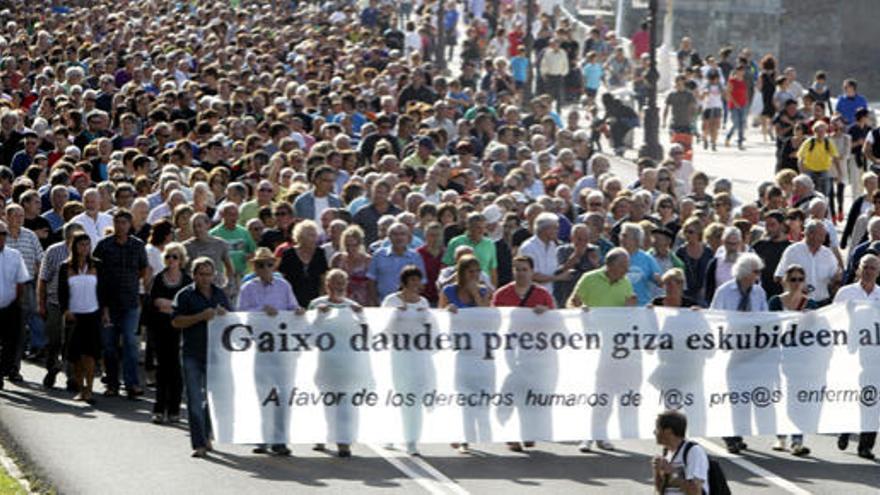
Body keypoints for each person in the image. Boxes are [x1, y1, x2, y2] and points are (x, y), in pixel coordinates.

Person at [239, 247, 301, 456]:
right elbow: (240, 316)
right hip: (261, 348)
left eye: (269, 264)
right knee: (263, 394)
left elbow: (293, 308)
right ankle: (262, 438)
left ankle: (280, 440)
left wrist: (297, 311)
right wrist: (262, 311)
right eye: (260, 264)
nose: (265, 268)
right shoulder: (247, 288)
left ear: (273, 265)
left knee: (283, 395)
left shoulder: (283, 286)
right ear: (254, 267)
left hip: (282, 347)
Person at [490, 255, 555, 452]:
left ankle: (528, 432)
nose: (520, 273)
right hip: (510, 350)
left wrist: (546, 313)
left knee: (531, 394)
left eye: (524, 269)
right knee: (511, 392)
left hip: (536, 353)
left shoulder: (542, 294)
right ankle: (511, 434)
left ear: (531, 271)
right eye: (517, 269)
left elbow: (557, 323)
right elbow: (492, 320)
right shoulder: (502, 294)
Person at [171, 257, 231, 458]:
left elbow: (233, 321)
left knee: (212, 399)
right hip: (192, 353)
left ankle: (206, 434)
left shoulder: (219, 293)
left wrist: (224, 314)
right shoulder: (185, 295)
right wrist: (200, 317)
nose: (206, 278)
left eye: (209, 274)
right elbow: (176, 322)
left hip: (215, 354)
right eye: (202, 274)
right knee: (195, 399)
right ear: (194, 275)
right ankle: (198, 443)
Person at [710, 252, 767, 454]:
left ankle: (738, 432)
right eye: (756, 271)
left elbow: (765, 317)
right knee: (732, 393)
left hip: (750, 350)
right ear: (745, 272)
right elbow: (714, 317)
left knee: (744, 395)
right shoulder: (725, 292)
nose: (759, 275)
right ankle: (729, 435)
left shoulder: (759, 293)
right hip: (730, 348)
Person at [94, 209, 151, 398]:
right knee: (109, 346)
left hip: (130, 303)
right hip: (107, 304)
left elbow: (144, 269)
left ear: (130, 225)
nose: (121, 226)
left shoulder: (138, 245)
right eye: (117, 222)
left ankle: (131, 383)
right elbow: (96, 272)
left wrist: (134, 283)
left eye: (124, 222)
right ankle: (112, 383)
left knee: (130, 343)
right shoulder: (104, 246)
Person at [308, 268, 364, 458]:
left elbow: (368, 336)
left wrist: (362, 316)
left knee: (346, 404)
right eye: (335, 281)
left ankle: (343, 441)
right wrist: (319, 315)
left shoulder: (353, 306)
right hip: (325, 364)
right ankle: (321, 435)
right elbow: (308, 336)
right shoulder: (316, 304)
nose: (339, 285)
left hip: (348, 365)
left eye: (342, 281)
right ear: (327, 284)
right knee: (326, 402)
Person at [833, 253, 880, 460]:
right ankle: (845, 428)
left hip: (874, 355)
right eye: (866, 267)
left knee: (872, 398)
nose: (869, 271)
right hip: (850, 353)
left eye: (873, 268)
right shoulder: (846, 293)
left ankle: (866, 445)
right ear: (859, 269)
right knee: (852, 395)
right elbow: (832, 318)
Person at [381, 265, 431, 455]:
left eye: (418, 280)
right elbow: (382, 329)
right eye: (412, 281)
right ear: (404, 283)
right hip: (397, 356)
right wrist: (395, 315)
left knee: (415, 398)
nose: (416, 284)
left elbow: (431, 328)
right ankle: (391, 434)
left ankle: (412, 440)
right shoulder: (391, 301)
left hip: (418, 357)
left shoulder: (424, 302)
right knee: (398, 395)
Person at [767, 264, 815, 456]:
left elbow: (816, 331)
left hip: (801, 360)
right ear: (785, 281)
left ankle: (797, 440)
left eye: (799, 279)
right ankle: (780, 437)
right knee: (780, 397)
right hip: (779, 357)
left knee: (798, 400)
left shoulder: (810, 305)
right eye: (792, 279)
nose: (796, 283)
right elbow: (768, 326)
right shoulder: (775, 302)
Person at [147, 242, 192, 425]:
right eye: (168, 256)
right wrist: (173, 305)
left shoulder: (187, 280)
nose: (171, 260)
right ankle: (159, 408)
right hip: (160, 328)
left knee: (176, 370)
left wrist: (170, 306)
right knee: (162, 369)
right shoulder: (159, 278)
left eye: (175, 257)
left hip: (180, 330)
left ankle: (174, 409)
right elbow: (157, 302)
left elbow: (185, 306)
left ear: (181, 260)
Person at [58, 232, 101, 404]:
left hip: (92, 314)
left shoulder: (97, 265)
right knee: (75, 355)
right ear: (74, 246)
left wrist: (104, 311)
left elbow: (103, 290)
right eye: (81, 244)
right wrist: (65, 310)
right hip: (74, 315)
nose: (84, 248)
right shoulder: (65, 267)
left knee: (89, 354)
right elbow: (62, 291)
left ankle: (90, 389)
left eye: (87, 244)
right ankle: (81, 388)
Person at [774, 219, 841, 306]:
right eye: (820, 235)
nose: (823, 239)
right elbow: (779, 276)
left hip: (822, 303)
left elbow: (834, 278)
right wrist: (795, 288)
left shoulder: (827, 254)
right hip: (799, 304)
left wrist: (837, 278)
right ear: (810, 234)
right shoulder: (793, 251)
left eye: (824, 235)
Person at [0, 220, 31, 390]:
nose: (1, 238)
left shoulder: (14, 255)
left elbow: (21, 281)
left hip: (10, 306)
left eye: (3, 234)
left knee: (10, 342)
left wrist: (17, 302)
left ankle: (2, 371)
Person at [367, 223, 426, 306]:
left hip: (409, 305)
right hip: (382, 304)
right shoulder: (379, 255)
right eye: (395, 234)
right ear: (389, 237)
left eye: (402, 234)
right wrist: (376, 303)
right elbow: (371, 281)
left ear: (409, 238)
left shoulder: (415, 256)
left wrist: (413, 302)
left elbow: (421, 282)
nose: (399, 237)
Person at [652, 410, 709, 495]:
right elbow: (661, 490)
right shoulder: (667, 453)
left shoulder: (693, 452)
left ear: (668, 431)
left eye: (657, 428)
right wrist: (657, 471)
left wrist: (672, 472)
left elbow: (696, 492)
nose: (654, 432)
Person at [278, 220, 328, 308]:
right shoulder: (289, 254)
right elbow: (282, 279)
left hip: (315, 299)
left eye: (315, 235)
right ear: (301, 237)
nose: (315, 238)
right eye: (311, 235)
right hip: (293, 300)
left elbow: (323, 279)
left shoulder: (320, 253)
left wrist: (321, 300)